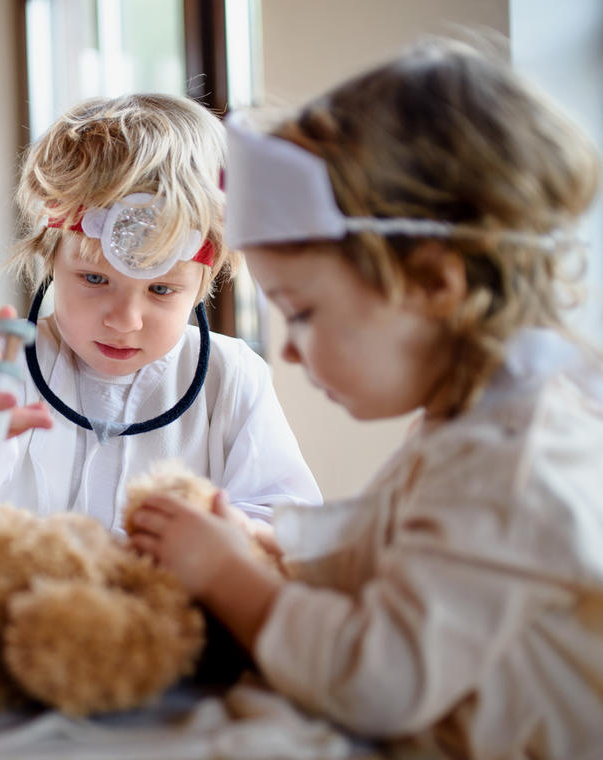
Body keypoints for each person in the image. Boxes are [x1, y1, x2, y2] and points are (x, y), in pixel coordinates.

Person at [129, 38, 603, 758]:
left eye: (305, 313)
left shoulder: (513, 461)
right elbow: (398, 550)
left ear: (436, 284)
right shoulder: (480, 418)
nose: (287, 349)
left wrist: (228, 577)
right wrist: (266, 546)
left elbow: (376, 679)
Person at [0, 93, 320, 531]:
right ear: (50, 254)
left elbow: (286, 521)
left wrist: (221, 538)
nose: (125, 320)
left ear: (203, 283)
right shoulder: (1, 371)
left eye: (162, 289)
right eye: (94, 280)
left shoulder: (233, 379)